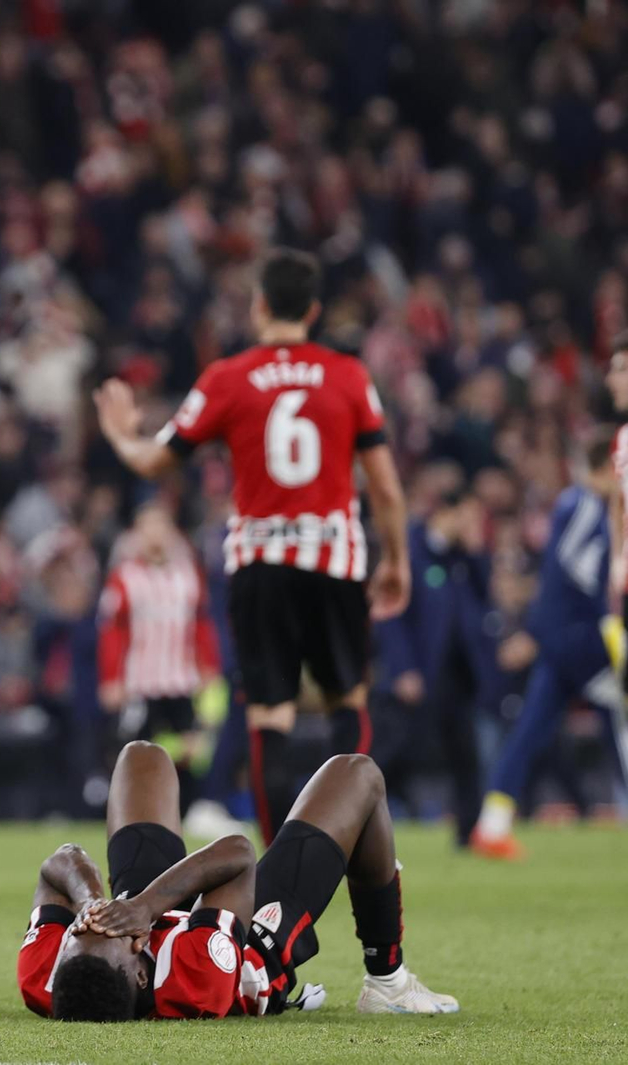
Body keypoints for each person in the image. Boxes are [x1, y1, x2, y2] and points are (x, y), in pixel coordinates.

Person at [95, 248, 410, 844]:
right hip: (333, 555)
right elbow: (387, 488)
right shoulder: (347, 375)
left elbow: (154, 461)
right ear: (314, 311)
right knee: (349, 701)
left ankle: (278, 875)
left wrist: (120, 433)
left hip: (260, 560)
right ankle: (353, 850)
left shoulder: (227, 378)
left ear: (259, 305)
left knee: (270, 715)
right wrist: (396, 559)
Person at [18, 741, 459, 1021]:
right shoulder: (194, 980)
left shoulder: (49, 980)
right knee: (358, 775)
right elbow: (236, 856)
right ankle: (388, 980)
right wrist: (145, 908)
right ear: (138, 977)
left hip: (157, 912)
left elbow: (61, 862)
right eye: (108, 932)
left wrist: (93, 902)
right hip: (245, 940)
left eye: (83, 928)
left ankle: (139, 905)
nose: (96, 923)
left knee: (141, 756)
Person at [471, 430, 627, 859]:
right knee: (618, 725)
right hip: (582, 641)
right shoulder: (585, 505)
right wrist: (609, 624)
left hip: (560, 641)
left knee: (529, 732)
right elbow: (578, 568)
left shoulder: (576, 504)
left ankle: (492, 824)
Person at [372, 482, 491, 846]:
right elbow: (389, 616)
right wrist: (403, 668)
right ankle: (347, 820)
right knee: (392, 756)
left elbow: (483, 599)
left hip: (457, 673)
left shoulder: (461, 558)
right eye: (468, 515)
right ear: (447, 512)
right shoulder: (409, 550)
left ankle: (469, 832)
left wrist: (475, 554)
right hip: (418, 673)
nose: (474, 524)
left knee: (466, 756)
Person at [97, 501, 219, 807]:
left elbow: (201, 624)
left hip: (181, 681)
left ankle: (188, 811)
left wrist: (209, 667)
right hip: (141, 682)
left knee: (191, 750)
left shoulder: (188, 575)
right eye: (147, 527)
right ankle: (130, 813)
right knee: (134, 752)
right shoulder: (125, 577)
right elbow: (112, 631)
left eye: (160, 526)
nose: (155, 534)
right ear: (136, 534)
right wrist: (111, 677)